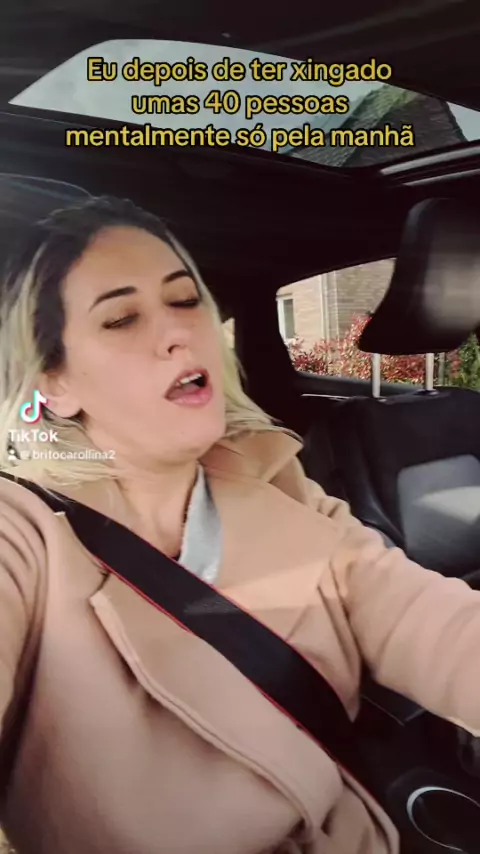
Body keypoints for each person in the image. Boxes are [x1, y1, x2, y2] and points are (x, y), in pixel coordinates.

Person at [0, 195, 477, 854]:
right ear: (54, 385)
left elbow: (435, 625)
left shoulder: (280, 485)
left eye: (185, 299)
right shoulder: (24, 532)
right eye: (121, 318)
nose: (178, 332)